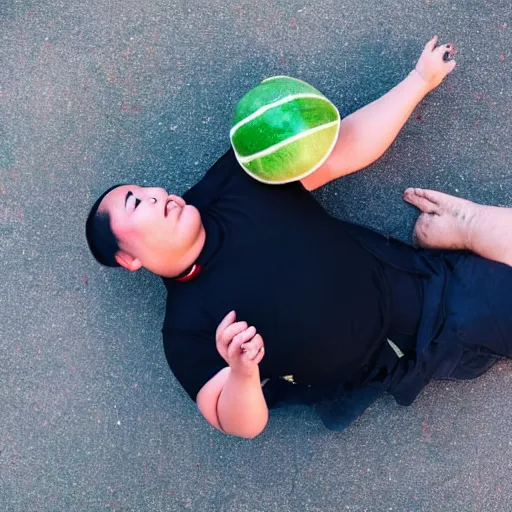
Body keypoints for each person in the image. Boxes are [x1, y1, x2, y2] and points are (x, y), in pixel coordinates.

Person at [86, 37, 512, 439]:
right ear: (129, 259)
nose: (158, 195)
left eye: (146, 189)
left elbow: (347, 145)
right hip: (379, 373)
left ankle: (468, 227)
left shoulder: (238, 178)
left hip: (433, 300)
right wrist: (242, 372)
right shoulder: (185, 330)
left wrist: (418, 80)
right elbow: (238, 423)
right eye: (135, 203)